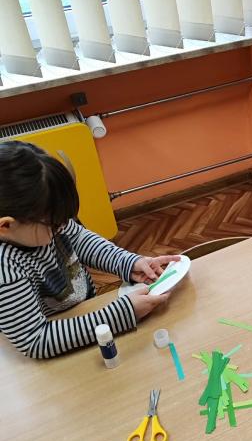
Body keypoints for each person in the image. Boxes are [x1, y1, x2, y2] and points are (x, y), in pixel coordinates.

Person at [0, 140, 178, 358]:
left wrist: (129, 263)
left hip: (85, 317)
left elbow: (81, 239)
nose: (63, 228)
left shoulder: (43, 223)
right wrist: (123, 313)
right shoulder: (5, 270)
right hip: (59, 341)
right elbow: (36, 340)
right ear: (5, 226)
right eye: (54, 225)